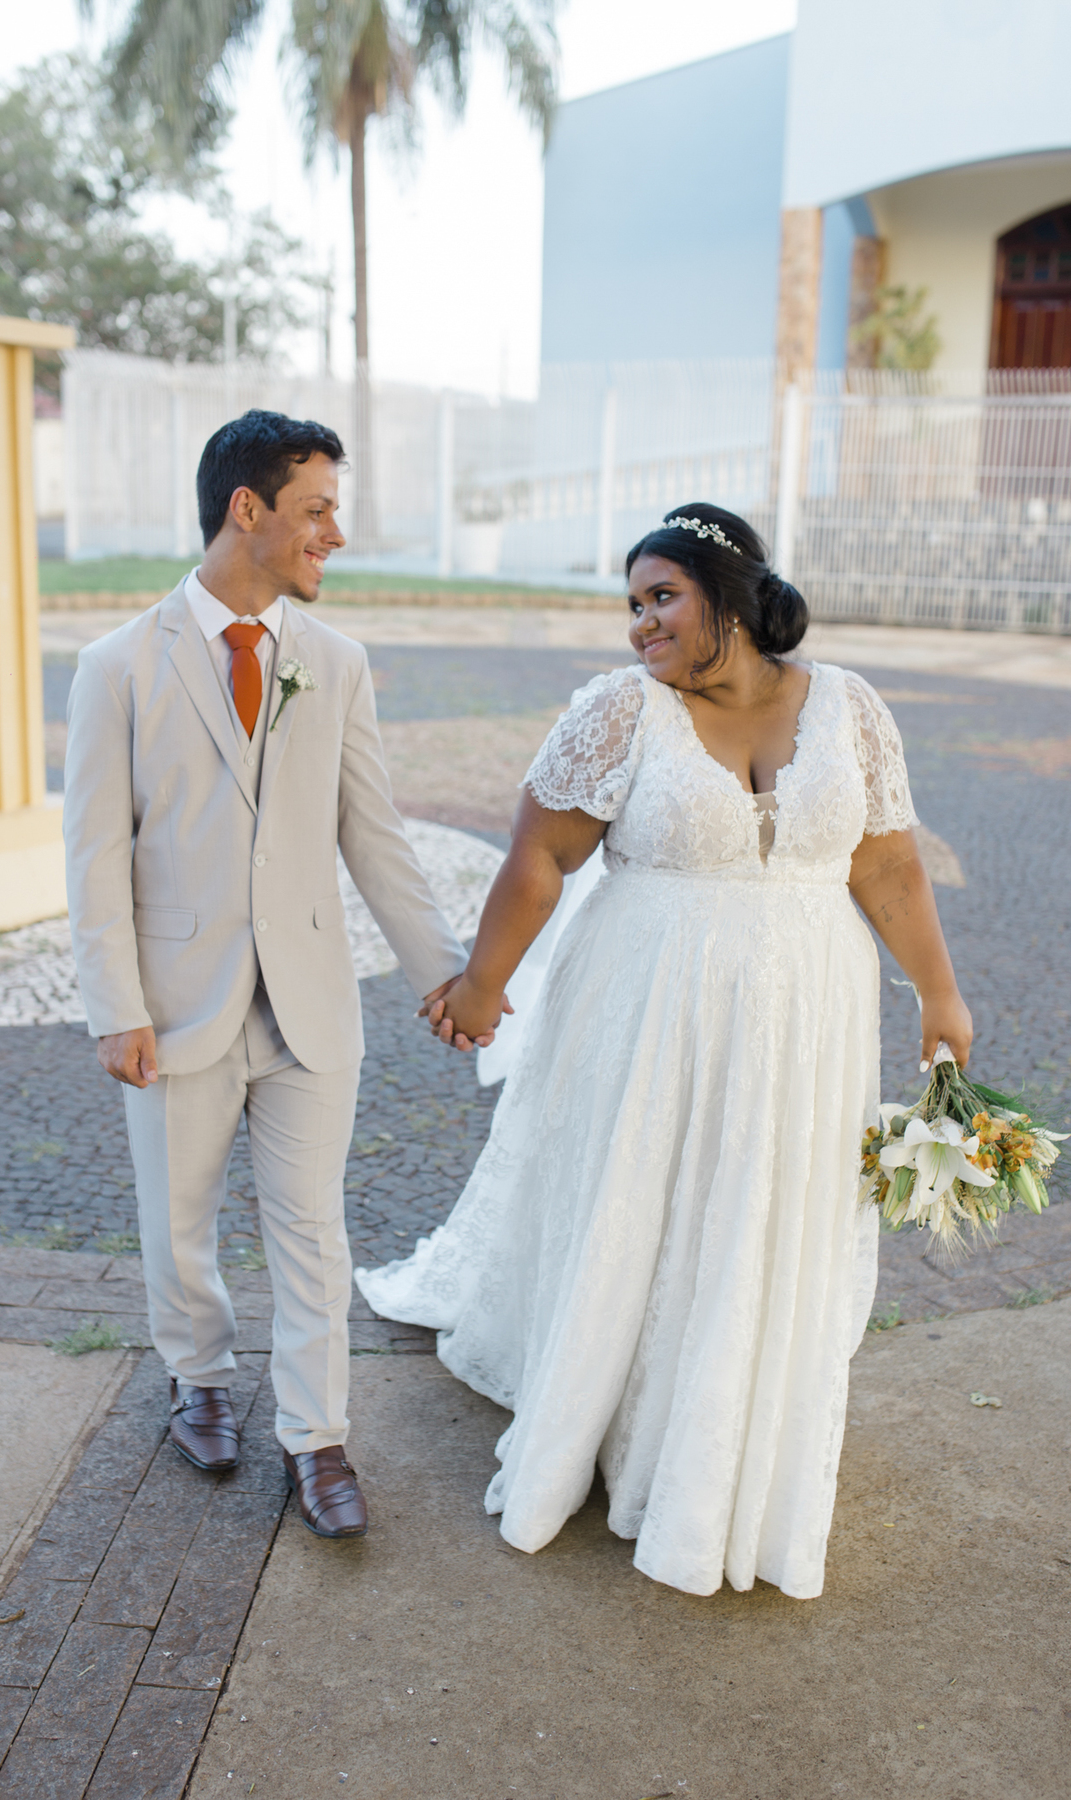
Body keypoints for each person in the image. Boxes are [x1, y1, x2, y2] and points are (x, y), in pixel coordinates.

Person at [357, 504, 972, 1598]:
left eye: (661, 597)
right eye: (632, 604)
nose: (640, 623)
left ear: (728, 597)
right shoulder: (620, 711)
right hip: (648, 1006)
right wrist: (483, 984)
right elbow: (541, 855)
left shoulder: (850, 708)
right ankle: (605, 1415)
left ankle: (724, 1432)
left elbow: (889, 870)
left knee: (760, 1208)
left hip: (809, 1014)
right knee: (645, 1192)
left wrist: (940, 994)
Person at [63, 410, 479, 1539]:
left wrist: (448, 976)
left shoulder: (334, 665)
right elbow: (95, 856)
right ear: (248, 509)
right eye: (317, 509)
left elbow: (374, 832)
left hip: (308, 1007)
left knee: (312, 1227)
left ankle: (318, 1437)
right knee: (180, 1220)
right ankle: (197, 1375)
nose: (333, 533)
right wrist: (115, 1009)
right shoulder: (116, 668)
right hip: (173, 1006)